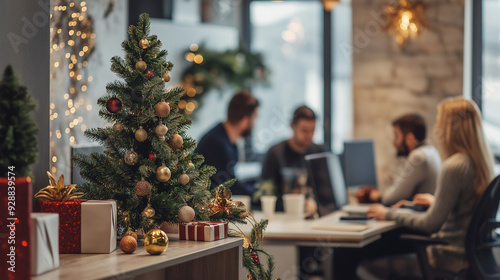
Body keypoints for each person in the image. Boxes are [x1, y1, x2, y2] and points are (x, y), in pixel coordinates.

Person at [368, 97, 495, 273]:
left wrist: (388, 214)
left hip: (447, 259)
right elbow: (468, 209)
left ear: (450, 129)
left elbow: (429, 224)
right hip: (473, 259)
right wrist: (436, 202)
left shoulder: (455, 166)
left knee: (366, 267)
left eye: (439, 123)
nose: (436, 129)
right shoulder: (482, 163)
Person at [361, 113, 442, 205]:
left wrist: (374, 195)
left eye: (396, 136)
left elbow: (391, 199)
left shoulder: (417, 157)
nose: (394, 142)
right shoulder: (431, 151)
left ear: (410, 139)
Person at [195, 91, 259, 196]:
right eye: (255, 119)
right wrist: (258, 195)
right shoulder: (217, 143)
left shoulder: (225, 139)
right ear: (245, 120)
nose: (254, 124)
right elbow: (229, 187)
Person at [260, 105, 323, 212]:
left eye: (312, 130)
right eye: (304, 130)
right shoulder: (275, 153)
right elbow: (266, 195)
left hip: (313, 216)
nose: (309, 135)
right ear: (292, 126)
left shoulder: (319, 153)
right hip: (282, 218)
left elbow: (326, 194)